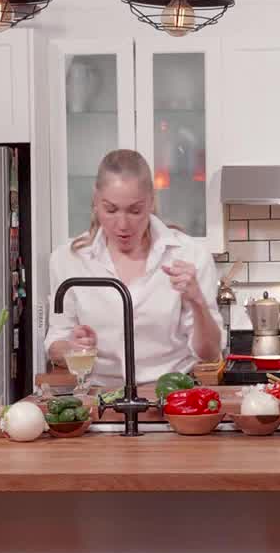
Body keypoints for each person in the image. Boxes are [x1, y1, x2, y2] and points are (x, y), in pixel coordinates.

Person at [45, 149, 223, 388]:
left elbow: (209, 353)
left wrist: (198, 302)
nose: (123, 224)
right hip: (101, 401)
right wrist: (72, 348)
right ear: (96, 201)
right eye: (111, 209)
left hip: (173, 397)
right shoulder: (68, 260)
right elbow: (55, 342)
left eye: (135, 210)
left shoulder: (189, 255)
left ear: (151, 201)